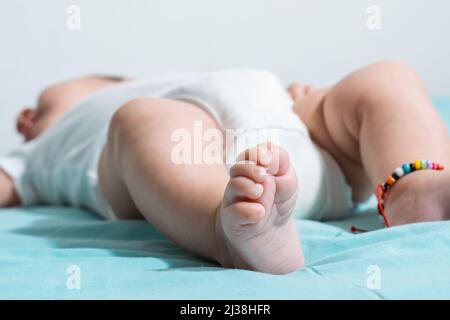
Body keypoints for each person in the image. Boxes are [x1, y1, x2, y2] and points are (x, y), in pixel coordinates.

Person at [1, 61, 449, 274]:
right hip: (194, 158)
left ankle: (415, 188)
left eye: (38, 103)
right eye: (28, 117)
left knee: (382, 79)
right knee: (139, 120)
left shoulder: (163, 77)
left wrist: (312, 104)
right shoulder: (31, 156)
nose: (24, 118)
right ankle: (228, 230)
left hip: (294, 126)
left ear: (106, 81)